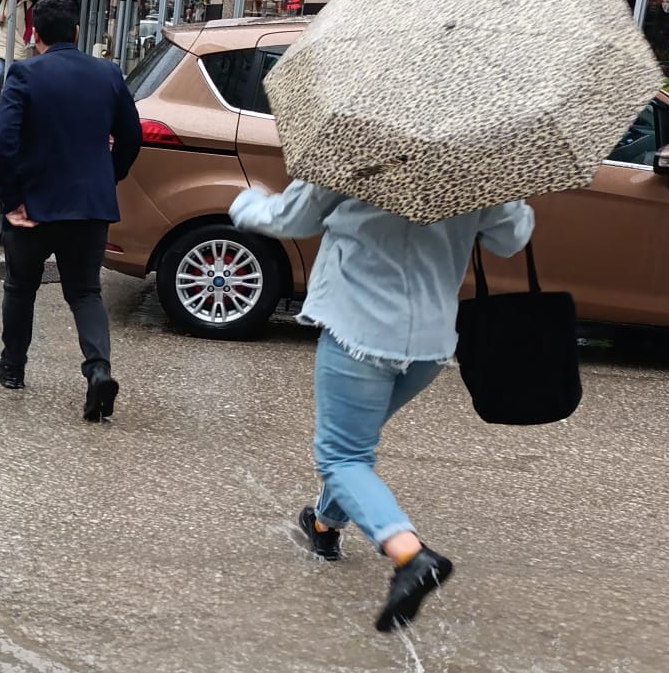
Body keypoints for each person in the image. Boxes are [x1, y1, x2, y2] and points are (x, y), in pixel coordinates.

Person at [229, 181, 535, 633]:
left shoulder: (354, 154)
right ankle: (325, 525)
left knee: (342, 457)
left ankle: (411, 556)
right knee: (356, 446)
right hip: (429, 343)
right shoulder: (478, 167)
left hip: (359, 331)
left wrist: (246, 201)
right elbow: (510, 240)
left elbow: (291, 218)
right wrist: (510, 194)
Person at [0, 0, 144, 423]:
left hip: (33, 207)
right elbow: (132, 136)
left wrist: (11, 200)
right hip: (90, 207)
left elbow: (3, 142)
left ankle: (12, 369)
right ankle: (98, 370)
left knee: (21, 287)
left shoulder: (23, 74)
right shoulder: (108, 73)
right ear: (77, 32)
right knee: (85, 292)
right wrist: (109, 176)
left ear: (35, 35)